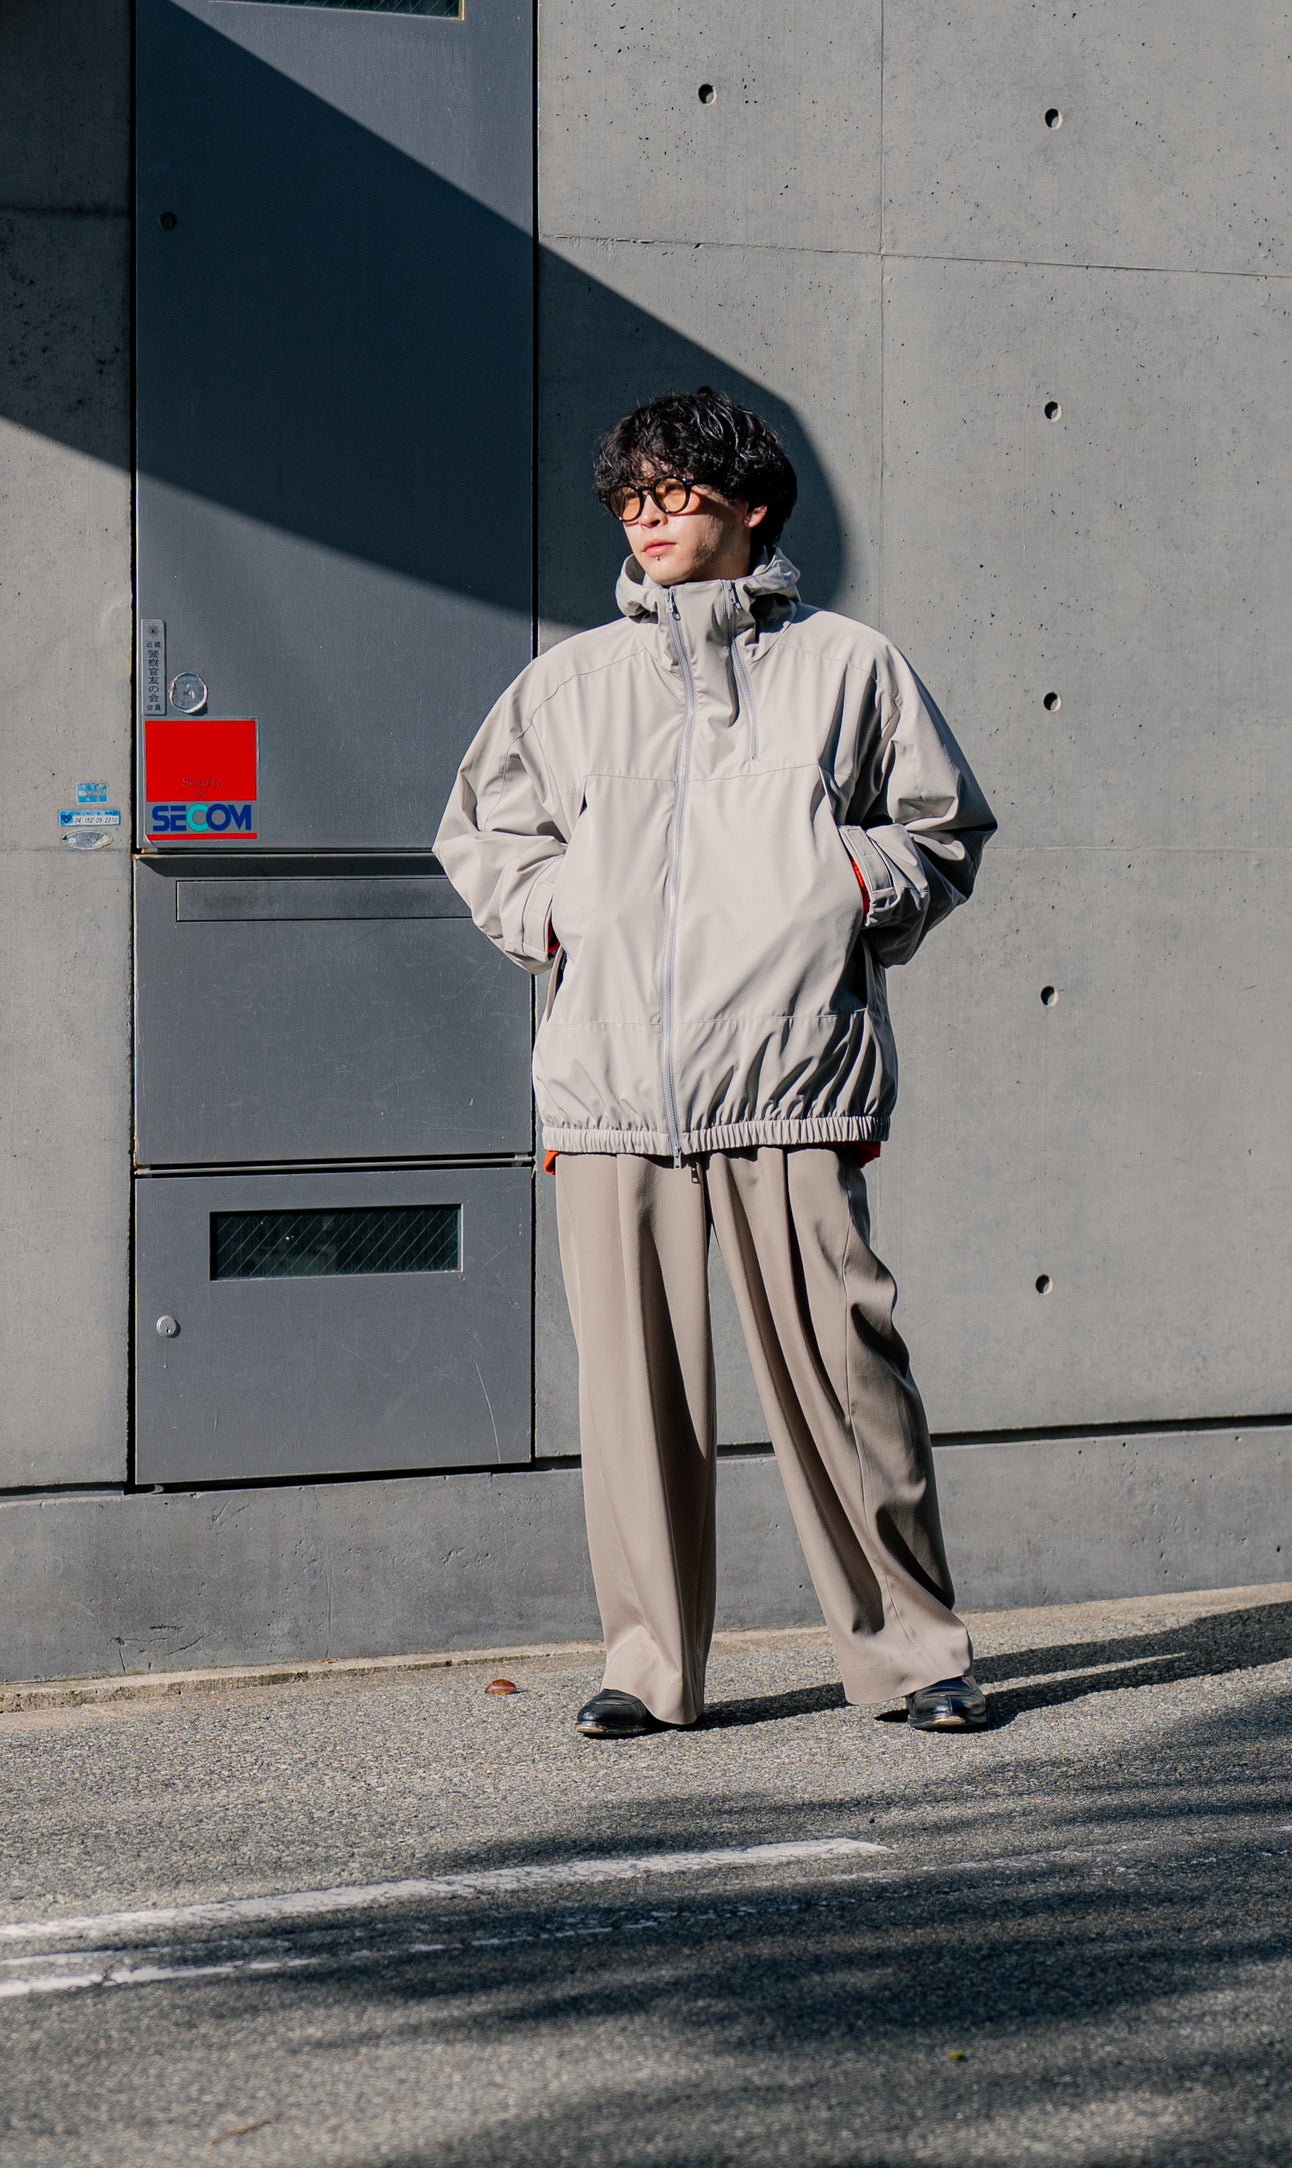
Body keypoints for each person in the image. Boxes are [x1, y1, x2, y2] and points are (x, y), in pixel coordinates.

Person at [436, 388, 996, 1739]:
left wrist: (844, 886)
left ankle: (914, 1657)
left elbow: (941, 830)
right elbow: (483, 838)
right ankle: (647, 1670)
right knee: (632, 1405)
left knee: (848, 1379)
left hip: (791, 1072)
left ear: (750, 505)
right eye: (629, 498)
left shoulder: (851, 667)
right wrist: (560, 914)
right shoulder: (567, 684)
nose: (645, 518)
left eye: (673, 493)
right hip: (611, 1094)